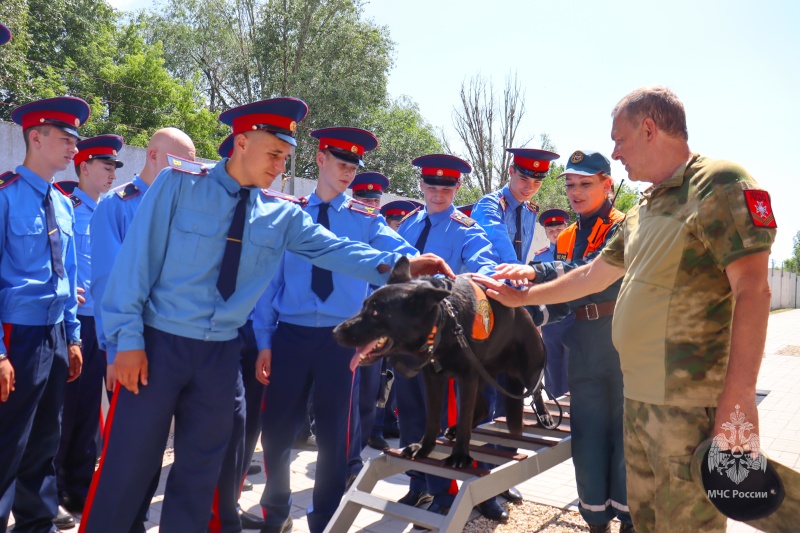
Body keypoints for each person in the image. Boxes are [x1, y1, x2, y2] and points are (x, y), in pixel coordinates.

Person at [79, 101, 451, 533]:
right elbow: (134, 267)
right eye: (273, 153)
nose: (280, 165)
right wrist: (125, 341)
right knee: (126, 468)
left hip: (220, 355)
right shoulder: (178, 186)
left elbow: (338, 249)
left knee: (201, 477)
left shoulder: (282, 214)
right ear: (240, 143)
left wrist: (404, 262)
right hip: (158, 346)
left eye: (286, 157)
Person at [478, 86, 776, 532]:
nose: (615, 154)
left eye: (619, 140)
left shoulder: (719, 183)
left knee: (687, 522)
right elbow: (591, 275)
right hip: (638, 400)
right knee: (644, 518)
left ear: (650, 129)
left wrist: (738, 402)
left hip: (687, 406)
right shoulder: (645, 208)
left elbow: (754, 292)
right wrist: (525, 297)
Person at [253, 126, 419, 533]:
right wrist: (263, 341)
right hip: (289, 335)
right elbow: (267, 284)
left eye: (354, 167)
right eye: (342, 164)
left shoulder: (365, 220)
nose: (349, 173)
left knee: (334, 437)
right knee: (275, 431)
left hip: (341, 340)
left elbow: (403, 258)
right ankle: (275, 510)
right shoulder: (288, 213)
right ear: (320, 160)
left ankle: (324, 517)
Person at [86, 127, 195, 533]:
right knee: (127, 455)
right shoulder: (118, 206)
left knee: (154, 452)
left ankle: (137, 521)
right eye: (178, 160)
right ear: (153, 157)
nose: (186, 170)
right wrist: (114, 353)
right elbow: (107, 284)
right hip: (131, 346)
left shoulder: (185, 206)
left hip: (171, 346)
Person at [394, 154, 501, 528]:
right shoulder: (406, 225)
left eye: (447, 187)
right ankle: (419, 481)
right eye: (432, 186)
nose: (438, 193)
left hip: (449, 344)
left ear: (457, 189)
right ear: (421, 186)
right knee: (411, 412)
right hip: (409, 340)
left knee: (458, 415)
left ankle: (467, 490)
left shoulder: (465, 227)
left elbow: (483, 266)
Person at [0, 97, 86, 533]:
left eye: (75, 139)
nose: (74, 147)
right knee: (7, 442)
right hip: (18, 335)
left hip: (53, 334)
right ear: (36, 137)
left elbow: (68, 280)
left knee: (44, 440)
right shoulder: (5, 196)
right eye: (66, 138)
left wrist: (73, 337)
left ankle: (36, 523)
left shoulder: (65, 204)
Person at [470, 147, 559, 513]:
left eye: (537, 181)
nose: (530, 187)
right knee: (486, 400)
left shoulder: (530, 211)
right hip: (488, 307)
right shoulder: (490, 207)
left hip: (513, 307)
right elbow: (503, 250)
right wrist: (526, 286)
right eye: (524, 178)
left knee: (513, 397)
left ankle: (501, 476)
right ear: (511, 172)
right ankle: (481, 487)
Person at [53, 135, 123, 522]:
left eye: (114, 168)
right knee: (66, 409)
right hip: (75, 322)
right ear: (83, 168)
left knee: (89, 415)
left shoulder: (114, 211)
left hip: (105, 321)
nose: (112, 174)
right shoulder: (68, 208)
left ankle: (78, 489)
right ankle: (51, 487)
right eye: (105, 166)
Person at [533, 208, 573, 398]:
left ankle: (570, 408)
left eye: (559, 229)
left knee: (571, 365)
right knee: (552, 365)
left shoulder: (577, 251)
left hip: (574, 316)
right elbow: (535, 290)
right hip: (550, 319)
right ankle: (554, 404)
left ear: (567, 227)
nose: (555, 233)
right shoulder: (540, 257)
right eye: (551, 231)